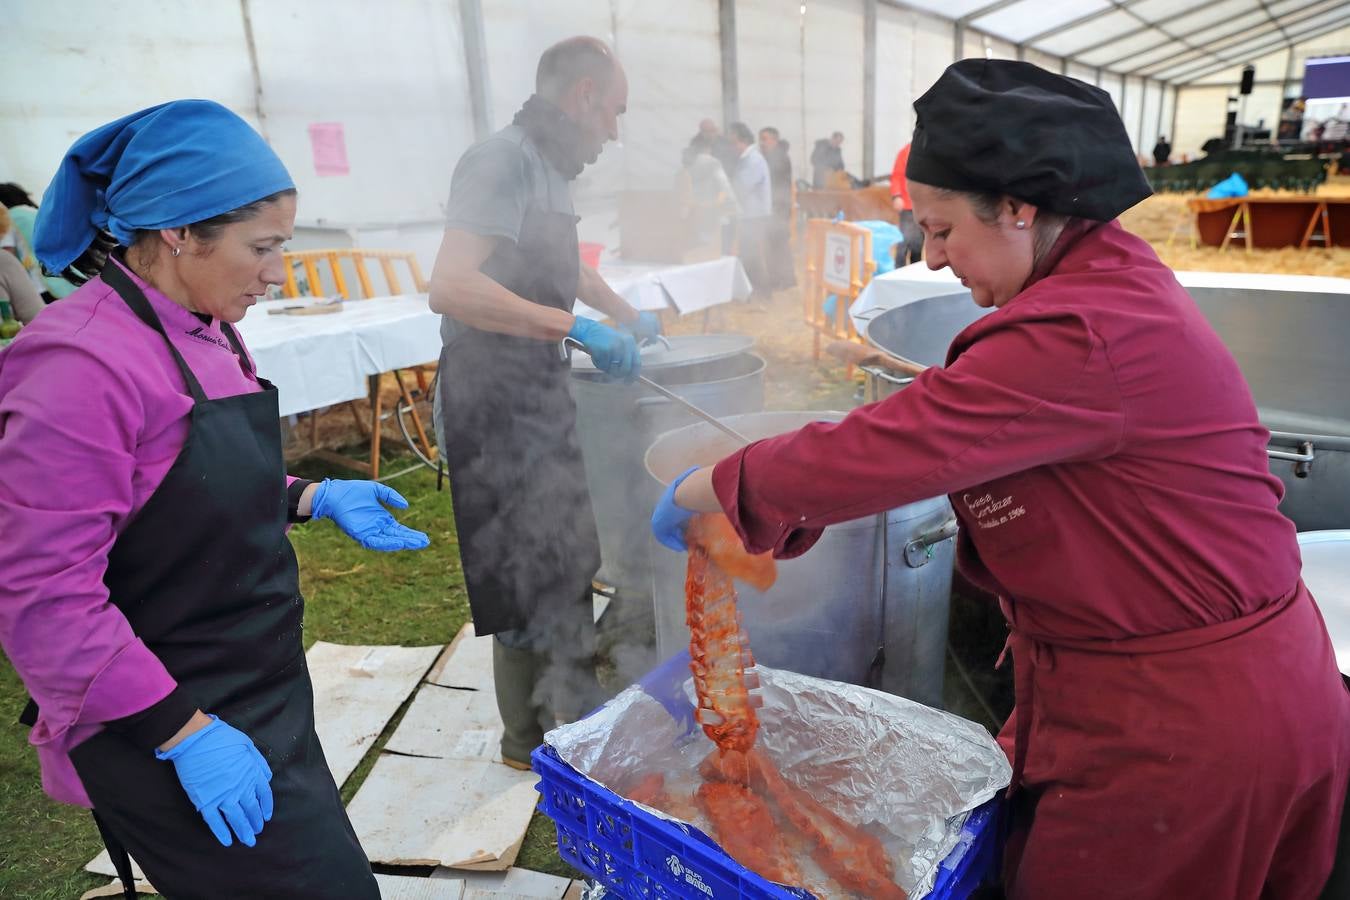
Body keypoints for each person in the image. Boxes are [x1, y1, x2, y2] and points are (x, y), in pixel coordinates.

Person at [651, 60, 1350, 899]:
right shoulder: (1102, 281)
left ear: (1019, 208)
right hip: (1173, 690)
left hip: (1186, 724)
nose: (935, 258)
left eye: (943, 230)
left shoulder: (1079, 331)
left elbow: (889, 446)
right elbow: (934, 434)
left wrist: (712, 489)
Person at [0, 100, 430, 900]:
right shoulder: (77, 367)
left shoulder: (204, 325)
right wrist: (184, 734)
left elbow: (182, 482)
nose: (277, 272)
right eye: (261, 248)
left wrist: (307, 495)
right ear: (177, 233)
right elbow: (41, 600)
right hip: (161, 715)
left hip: (258, 686)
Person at [429, 36, 659, 770]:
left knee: (566, 552)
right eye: (614, 112)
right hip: (490, 397)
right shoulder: (499, 160)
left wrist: (621, 312)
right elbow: (452, 286)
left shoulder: (551, 170)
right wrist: (577, 328)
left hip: (538, 385)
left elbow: (565, 270)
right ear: (584, 95)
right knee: (519, 567)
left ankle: (573, 707)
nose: (614, 133)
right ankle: (524, 743)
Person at [0, 182, 78, 301]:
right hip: (68, 275)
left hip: (40, 282)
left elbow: (8, 256)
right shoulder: (35, 212)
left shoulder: (7, 219)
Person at [726, 122, 773, 303]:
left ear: (743, 141)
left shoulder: (753, 160)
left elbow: (741, 187)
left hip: (754, 216)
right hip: (749, 214)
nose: (732, 147)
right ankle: (754, 291)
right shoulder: (747, 159)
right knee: (748, 254)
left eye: (734, 143)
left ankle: (763, 293)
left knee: (753, 255)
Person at [757, 127, 796, 290]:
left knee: (780, 245)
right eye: (761, 139)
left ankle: (786, 279)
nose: (762, 142)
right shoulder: (768, 156)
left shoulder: (779, 158)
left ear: (775, 140)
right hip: (772, 207)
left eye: (765, 139)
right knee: (772, 246)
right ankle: (777, 278)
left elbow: (776, 185)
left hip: (779, 207)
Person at [0, 206, 43, 324]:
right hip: (50, 278)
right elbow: (37, 319)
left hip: (39, 280)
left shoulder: (4, 260)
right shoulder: (30, 212)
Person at [888, 142, 923, 265]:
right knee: (904, 241)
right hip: (908, 206)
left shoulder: (932, 152)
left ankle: (916, 271)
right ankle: (899, 270)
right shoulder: (905, 152)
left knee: (918, 243)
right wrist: (896, 196)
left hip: (924, 207)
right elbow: (896, 176)